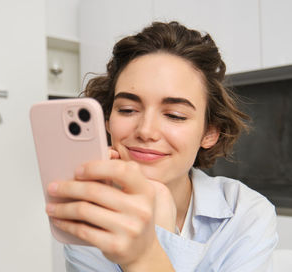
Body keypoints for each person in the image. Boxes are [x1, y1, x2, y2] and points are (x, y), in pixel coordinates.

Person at [45, 21, 278, 272]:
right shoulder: (91, 215)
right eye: (127, 110)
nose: (146, 131)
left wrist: (145, 255)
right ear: (107, 121)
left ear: (209, 132)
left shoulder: (245, 214)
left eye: (175, 115)